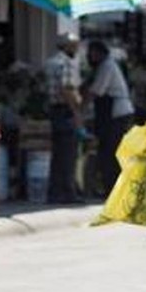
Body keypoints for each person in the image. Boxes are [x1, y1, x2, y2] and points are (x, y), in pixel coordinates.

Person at [85, 40, 135, 197]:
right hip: (111, 114)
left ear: (100, 52)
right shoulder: (104, 66)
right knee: (108, 151)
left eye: (92, 53)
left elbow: (97, 91)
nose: (90, 56)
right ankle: (111, 187)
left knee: (111, 152)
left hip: (116, 114)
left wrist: (80, 107)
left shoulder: (107, 65)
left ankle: (114, 188)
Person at [44, 33, 83, 204]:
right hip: (65, 110)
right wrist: (76, 112)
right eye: (74, 46)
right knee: (68, 154)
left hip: (53, 110)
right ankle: (68, 193)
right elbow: (66, 89)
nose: (76, 49)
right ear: (67, 46)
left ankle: (55, 192)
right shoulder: (65, 63)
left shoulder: (50, 62)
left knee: (58, 154)